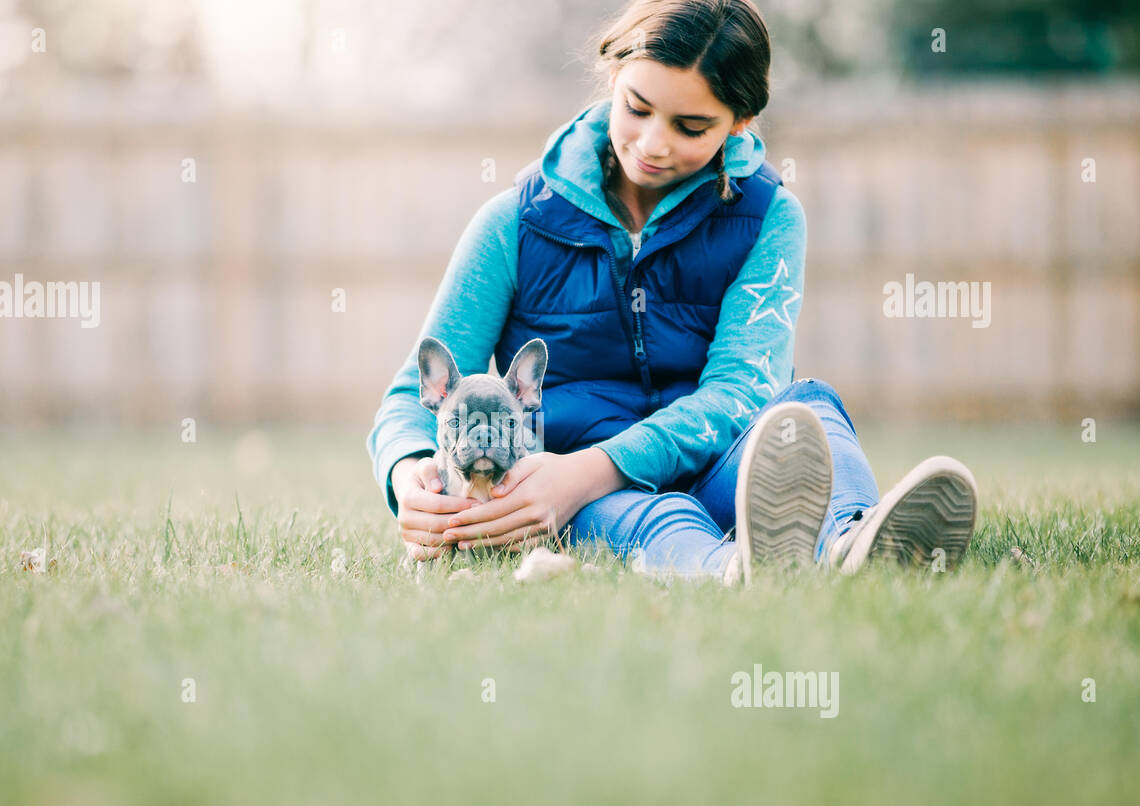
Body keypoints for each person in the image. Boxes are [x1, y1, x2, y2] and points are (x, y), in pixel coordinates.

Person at [366, 0, 978, 583]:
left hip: (715, 463)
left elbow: (742, 390)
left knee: (804, 412)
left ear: (739, 123)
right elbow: (409, 398)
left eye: (690, 126)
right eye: (637, 107)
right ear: (613, 76)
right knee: (644, 518)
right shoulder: (516, 224)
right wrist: (409, 476)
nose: (654, 142)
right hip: (580, 489)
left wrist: (593, 467)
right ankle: (726, 568)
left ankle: (852, 539)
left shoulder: (769, 217)